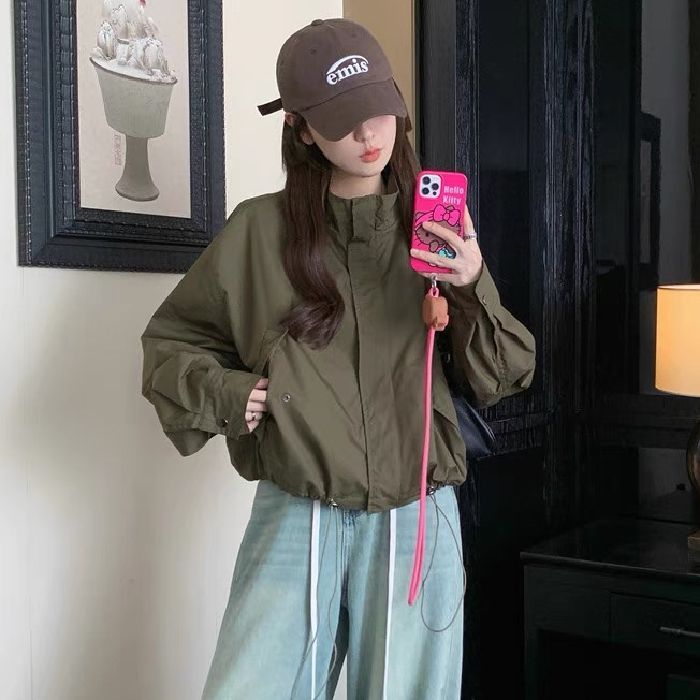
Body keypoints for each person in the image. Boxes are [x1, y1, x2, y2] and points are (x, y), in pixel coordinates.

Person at [140, 17, 536, 700]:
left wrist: (470, 282)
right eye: (342, 119)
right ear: (301, 130)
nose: (368, 133)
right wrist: (232, 394)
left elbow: (503, 374)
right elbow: (171, 344)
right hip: (298, 510)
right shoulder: (258, 232)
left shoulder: (433, 233)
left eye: (378, 108)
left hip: (418, 515)